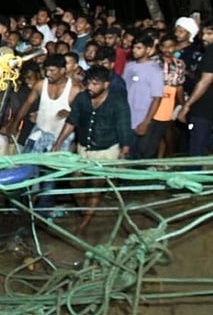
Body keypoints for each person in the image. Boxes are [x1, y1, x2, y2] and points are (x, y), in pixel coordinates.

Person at [52, 66, 132, 234]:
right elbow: (71, 121)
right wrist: (58, 142)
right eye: (89, 83)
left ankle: (85, 222)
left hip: (106, 149)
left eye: (95, 84)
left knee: (96, 185)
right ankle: (85, 212)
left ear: (106, 85)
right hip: (84, 148)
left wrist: (125, 150)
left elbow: (124, 126)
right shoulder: (82, 98)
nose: (90, 87)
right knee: (76, 182)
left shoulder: (118, 101)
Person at [10, 54, 81, 210]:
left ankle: (43, 212)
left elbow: (83, 115)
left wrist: (70, 114)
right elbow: (27, 104)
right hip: (38, 133)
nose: (48, 74)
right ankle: (19, 207)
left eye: (52, 71)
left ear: (63, 70)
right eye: (47, 70)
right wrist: (14, 125)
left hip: (59, 138)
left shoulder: (74, 90)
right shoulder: (41, 85)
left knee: (49, 178)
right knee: (23, 170)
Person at [177, 16, 213, 158]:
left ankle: (193, 174)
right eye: (203, 33)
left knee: (196, 147)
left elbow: (205, 81)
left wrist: (187, 105)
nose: (204, 37)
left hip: (206, 105)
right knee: (195, 130)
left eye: (209, 34)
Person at [122, 34, 164, 159]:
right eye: (134, 47)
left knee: (137, 155)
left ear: (148, 49)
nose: (135, 50)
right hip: (125, 117)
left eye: (139, 48)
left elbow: (157, 98)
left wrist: (146, 122)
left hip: (140, 119)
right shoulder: (129, 66)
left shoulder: (154, 70)